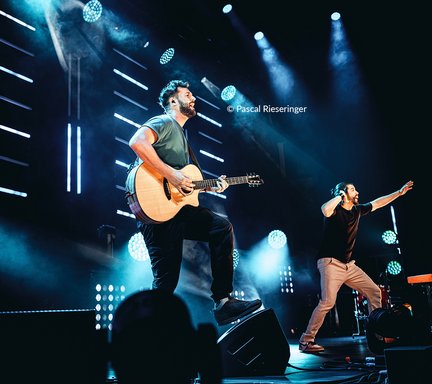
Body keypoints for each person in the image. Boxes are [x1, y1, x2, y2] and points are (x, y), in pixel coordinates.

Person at [127, 79, 262, 326]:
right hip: (155, 211)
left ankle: (223, 302)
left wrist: (215, 184)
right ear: (172, 101)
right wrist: (171, 174)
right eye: (187, 94)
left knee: (221, 227)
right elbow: (137, 142)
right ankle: (144, 334)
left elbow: (189, 183)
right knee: (165, 284)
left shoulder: (182, 137)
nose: (194, 98)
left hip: (177, 211)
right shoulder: (165, 121)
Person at [299, 180, 414, 353]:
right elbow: (324, 209)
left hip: (348, 266)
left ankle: (376, 335)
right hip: (330, 263)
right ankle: (306, 341)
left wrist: (398, 192)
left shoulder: (357, 210)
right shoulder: (335, 210)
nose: (357, 192)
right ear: (343, 193)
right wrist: (339, 196)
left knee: (374, 291)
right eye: (353, 189)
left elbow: (378, 202)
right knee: (327, 302)